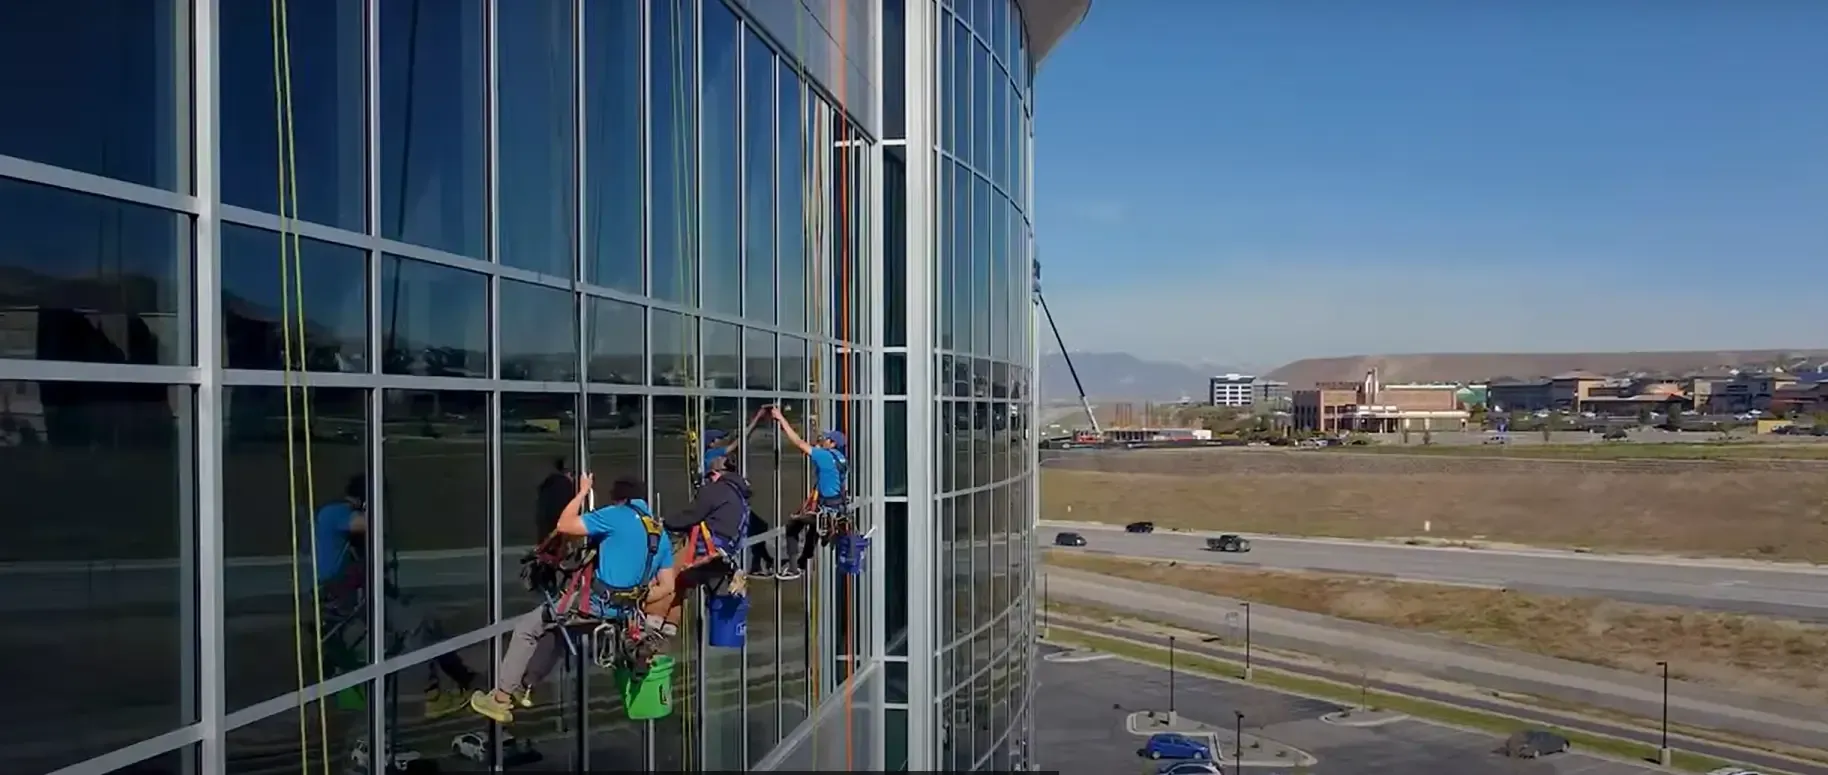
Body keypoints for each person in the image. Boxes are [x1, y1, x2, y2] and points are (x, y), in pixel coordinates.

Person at [470, 474, 677, 725]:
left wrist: (582, 492)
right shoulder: (659, 533)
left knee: (526, 629)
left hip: (591, 605)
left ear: (620, 498)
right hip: (619, 614)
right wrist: (633, 598)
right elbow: (667, 586)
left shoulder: (616, 515)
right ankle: (526, 685)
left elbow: (565, 525)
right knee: (557, 632)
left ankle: (500, 699)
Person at [311, 475, 480, 719]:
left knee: (430, 622)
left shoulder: (347, 520)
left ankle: (463, 676)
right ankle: (432, 695)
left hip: (366, 592)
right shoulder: (334, 512)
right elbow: (365, 524)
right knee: (416, 624)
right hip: (345, 597)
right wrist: (374, 507)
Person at [663, 454, 755, 605]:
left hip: (708, 548)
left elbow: (692, 515)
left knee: (667, 578)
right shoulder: (739, 494)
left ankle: (661, 624)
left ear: (716, 473)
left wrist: (666, 523)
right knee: (686, 584)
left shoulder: (716, 490)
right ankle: (668, 625)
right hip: (728, 549)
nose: (709, 480)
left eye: (710, 476)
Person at [768, 406, 848, 579]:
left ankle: (794, 568)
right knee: (812, 527)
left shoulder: (824, 456)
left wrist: (781, 419)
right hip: (836, 508)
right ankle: (804, 559)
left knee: (793, 525)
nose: (822, 439)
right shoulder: (840, 458)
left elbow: (798, 442)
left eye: (826, 438)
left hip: (826, 508)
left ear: (832, 443)